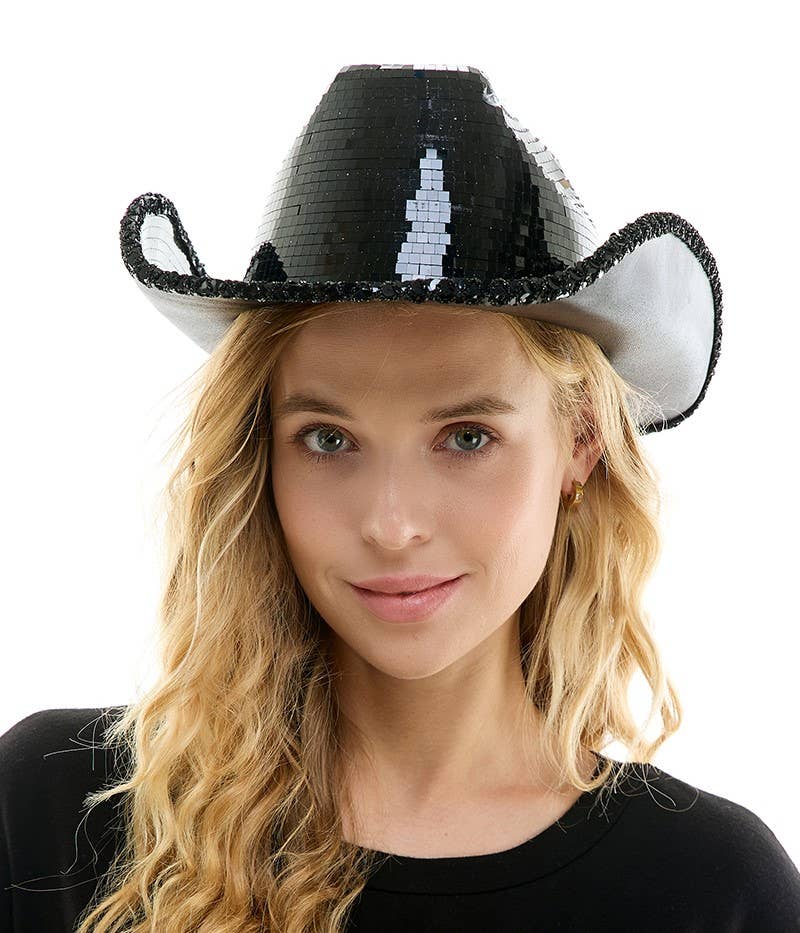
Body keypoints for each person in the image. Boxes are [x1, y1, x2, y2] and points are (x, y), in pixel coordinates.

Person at [2, 63, 799, 933]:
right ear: (259, 454)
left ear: (580, 443)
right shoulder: (53, 818)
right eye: (329, 439)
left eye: (466, 437)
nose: (392, 523)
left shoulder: (713, 892)